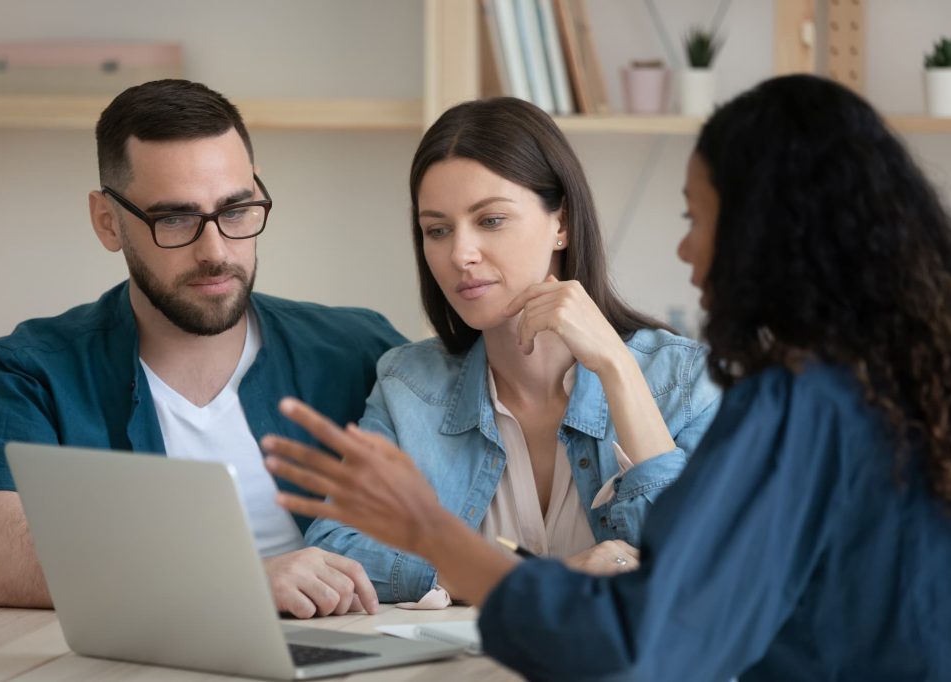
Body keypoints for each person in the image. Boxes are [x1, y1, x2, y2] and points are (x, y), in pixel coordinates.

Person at [262, 74, 951, 680]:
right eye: (435, 229)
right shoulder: (893, 389)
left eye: (697, 217)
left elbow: (647, 640)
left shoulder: (790, 406)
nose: (684, 247)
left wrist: (436, 536)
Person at [0, 79, 406, 619]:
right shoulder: (25, 372)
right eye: (175, 219)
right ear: (107, 222)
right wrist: (240, 582)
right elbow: (5, 561)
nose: (215, 252)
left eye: (236, 211)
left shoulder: (361, 351)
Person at [305, 96, 721, 603]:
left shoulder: (685, 381)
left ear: (561, 223)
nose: (460, 254)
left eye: (491, 220)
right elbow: (336, 549)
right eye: (437, 230)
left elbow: (707, 569)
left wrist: (616, 368)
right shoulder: (409, 385)